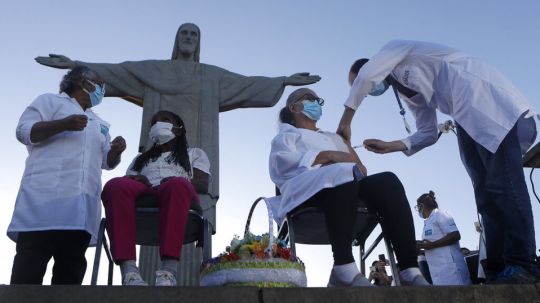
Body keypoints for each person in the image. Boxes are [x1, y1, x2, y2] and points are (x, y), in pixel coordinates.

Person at [337, 40, 539, 283]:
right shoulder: (407, 93)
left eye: (358, 84)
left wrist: (346, 121)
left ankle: (522, 263)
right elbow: (428, 132)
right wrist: (391, 146)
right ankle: (497, 268)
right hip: (463, 116)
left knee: (503, 184)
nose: (366, 91)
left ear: (371, 68)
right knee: (484, 195)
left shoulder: (395, 51)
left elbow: (368, 75)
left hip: (481, 99)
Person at [269, 87, 430, 287]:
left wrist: (344, 146)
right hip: (305, 193)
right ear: (293, 107)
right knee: (341, 173)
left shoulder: (334, 137)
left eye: (319, 101)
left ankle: (409, 269)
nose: (317, 104)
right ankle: (343, 266)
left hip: (345, 189)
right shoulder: (287, 135)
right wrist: (330, 156)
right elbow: (282, 165)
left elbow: (360, 169)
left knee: (388, 182)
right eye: (310, 99)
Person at [7, 66, 126, 285]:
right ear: (81, 81)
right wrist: (63, 124)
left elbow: (105, 162)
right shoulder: (49, 102)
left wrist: (116, 151)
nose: (101, 89)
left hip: (79, 209)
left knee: (69, 276)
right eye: (98, 83)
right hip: (42, 203)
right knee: (28, 273)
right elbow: (23, 131)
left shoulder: (100, 123)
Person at [101, 110, 210, 286]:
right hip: (145, 192)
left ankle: (168, 272)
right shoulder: (140, 159)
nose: (158, 124)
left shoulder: (195, 154)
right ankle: (129, 272)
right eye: (154, 122)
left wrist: (178, 179)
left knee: (177, 185)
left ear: (179, 130)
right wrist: (138, 179)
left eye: (165, 120)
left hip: (178, 194)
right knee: (115, 185)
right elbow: (128, 181)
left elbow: (203, 184)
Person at [415, 191, 472, 285]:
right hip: (438, 273)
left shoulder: (440, 214)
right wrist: (420, 248)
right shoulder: (428, 222)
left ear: (422, 206)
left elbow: (455, 235)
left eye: (418, 207)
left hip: (452, 270)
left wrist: (432, 245)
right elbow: (432, 246)